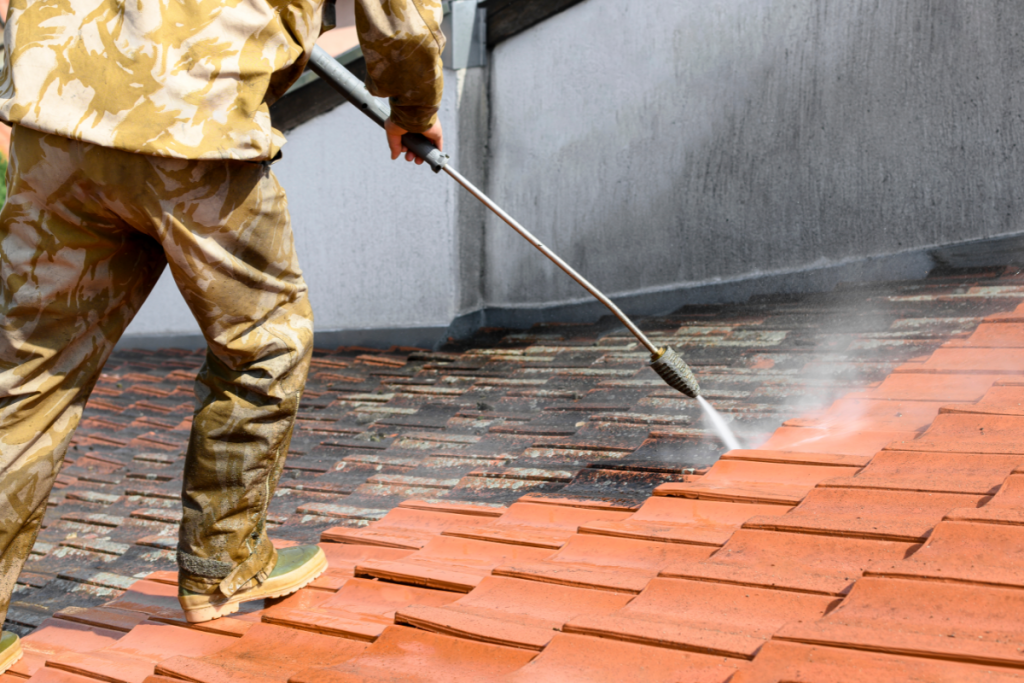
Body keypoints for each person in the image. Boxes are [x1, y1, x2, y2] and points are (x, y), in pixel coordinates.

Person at [0, 0, 445, 670]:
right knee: (266, 341)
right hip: (192, 120)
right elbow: (403, 17)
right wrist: (413, 106)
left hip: (59, 108)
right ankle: (223, 561)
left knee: (25, 376)